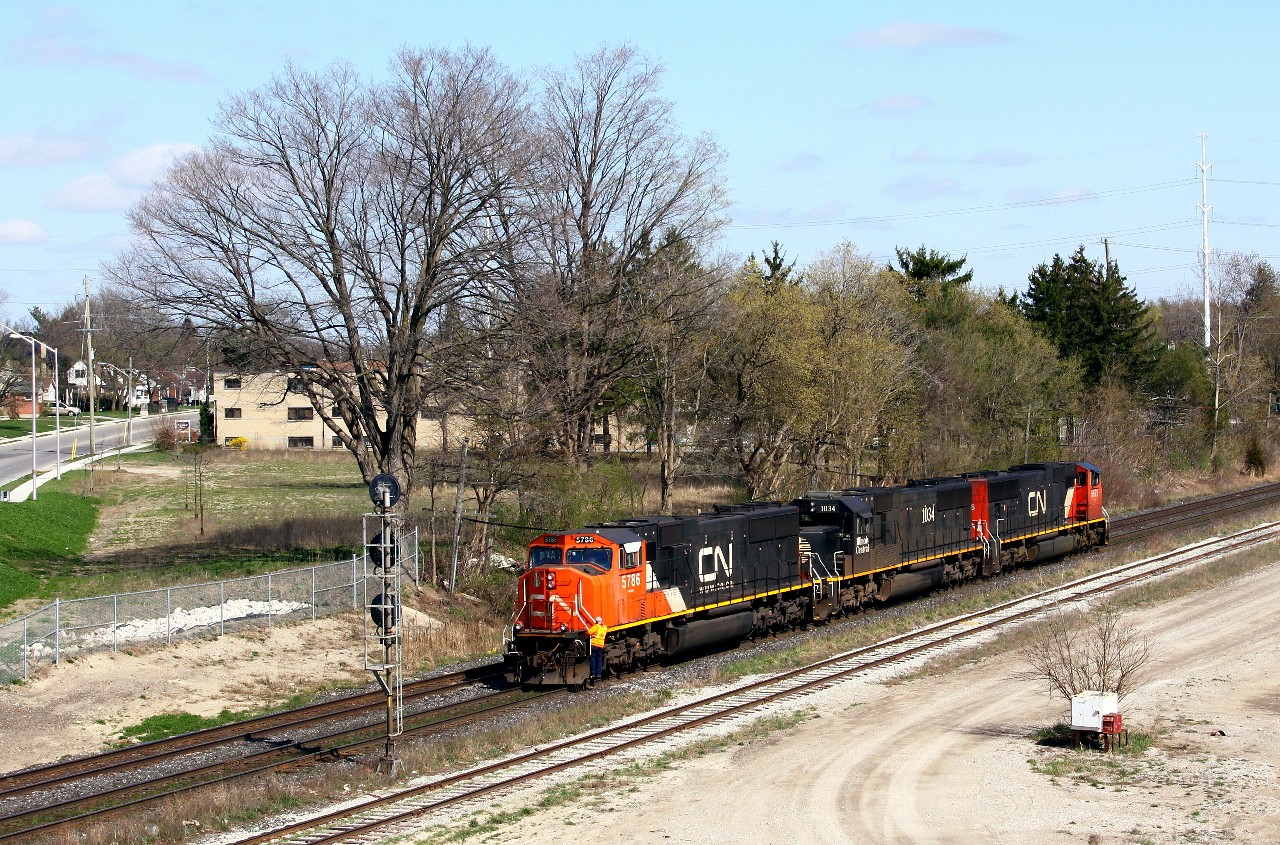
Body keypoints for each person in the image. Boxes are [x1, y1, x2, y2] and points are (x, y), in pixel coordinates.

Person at [587, 615, 607, 680]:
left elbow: (588, 632)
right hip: (601, 645)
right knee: (599, 659)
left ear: (596, 621)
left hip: (594, 645)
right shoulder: (605, 627)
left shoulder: (596, 627)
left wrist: (592, 635)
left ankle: (593, 673)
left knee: (593, 659)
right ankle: (598, 673)